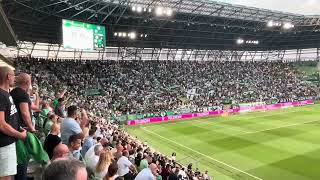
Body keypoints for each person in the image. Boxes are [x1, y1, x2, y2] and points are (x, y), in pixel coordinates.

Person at [0, 66, 27, 180]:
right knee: (6, 176)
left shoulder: (6, 93)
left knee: (8, 174)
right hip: (4, 143)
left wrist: (18, 128)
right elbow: (1, 124)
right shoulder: (1, 95)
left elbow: (9, 117)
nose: (14, 79)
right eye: (13, 76)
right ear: (8, 76)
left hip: (9, 141)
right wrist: (20, 135)